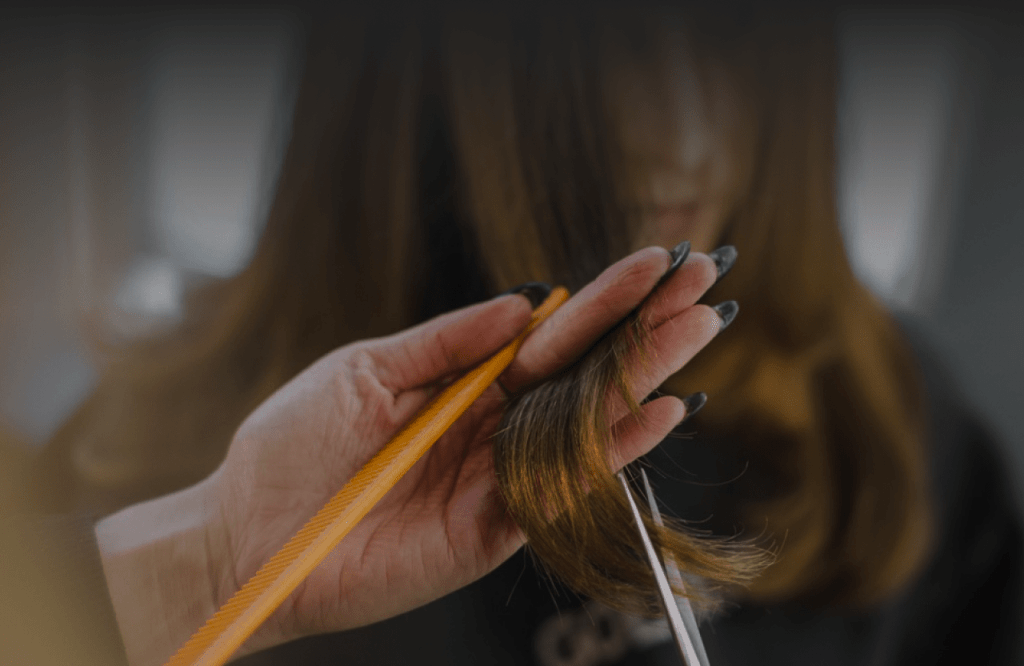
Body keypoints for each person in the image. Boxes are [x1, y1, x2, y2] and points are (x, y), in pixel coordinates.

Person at [22, 3, 1023, 665]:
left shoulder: (895, 421)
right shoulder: (153, 454)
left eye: (727, 35)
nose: (675, 127)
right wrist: (198, 573)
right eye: (606, 46)